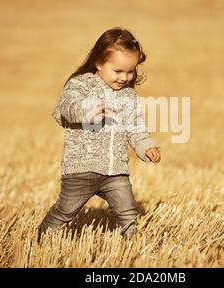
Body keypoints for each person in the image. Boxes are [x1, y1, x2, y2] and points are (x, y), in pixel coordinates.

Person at [37, 27, 161, 243]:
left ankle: (130, 246)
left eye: (130, 71)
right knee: (65, 212)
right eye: (118, 71)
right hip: (81, 169)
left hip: (115, 171)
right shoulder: (81, 85)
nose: (125, 77)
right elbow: (65, 108)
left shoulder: (128, 96)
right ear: (99, 63)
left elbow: (135, 127)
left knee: (128, 212)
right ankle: (41, 239)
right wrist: (88, 110)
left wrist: (146, 146)